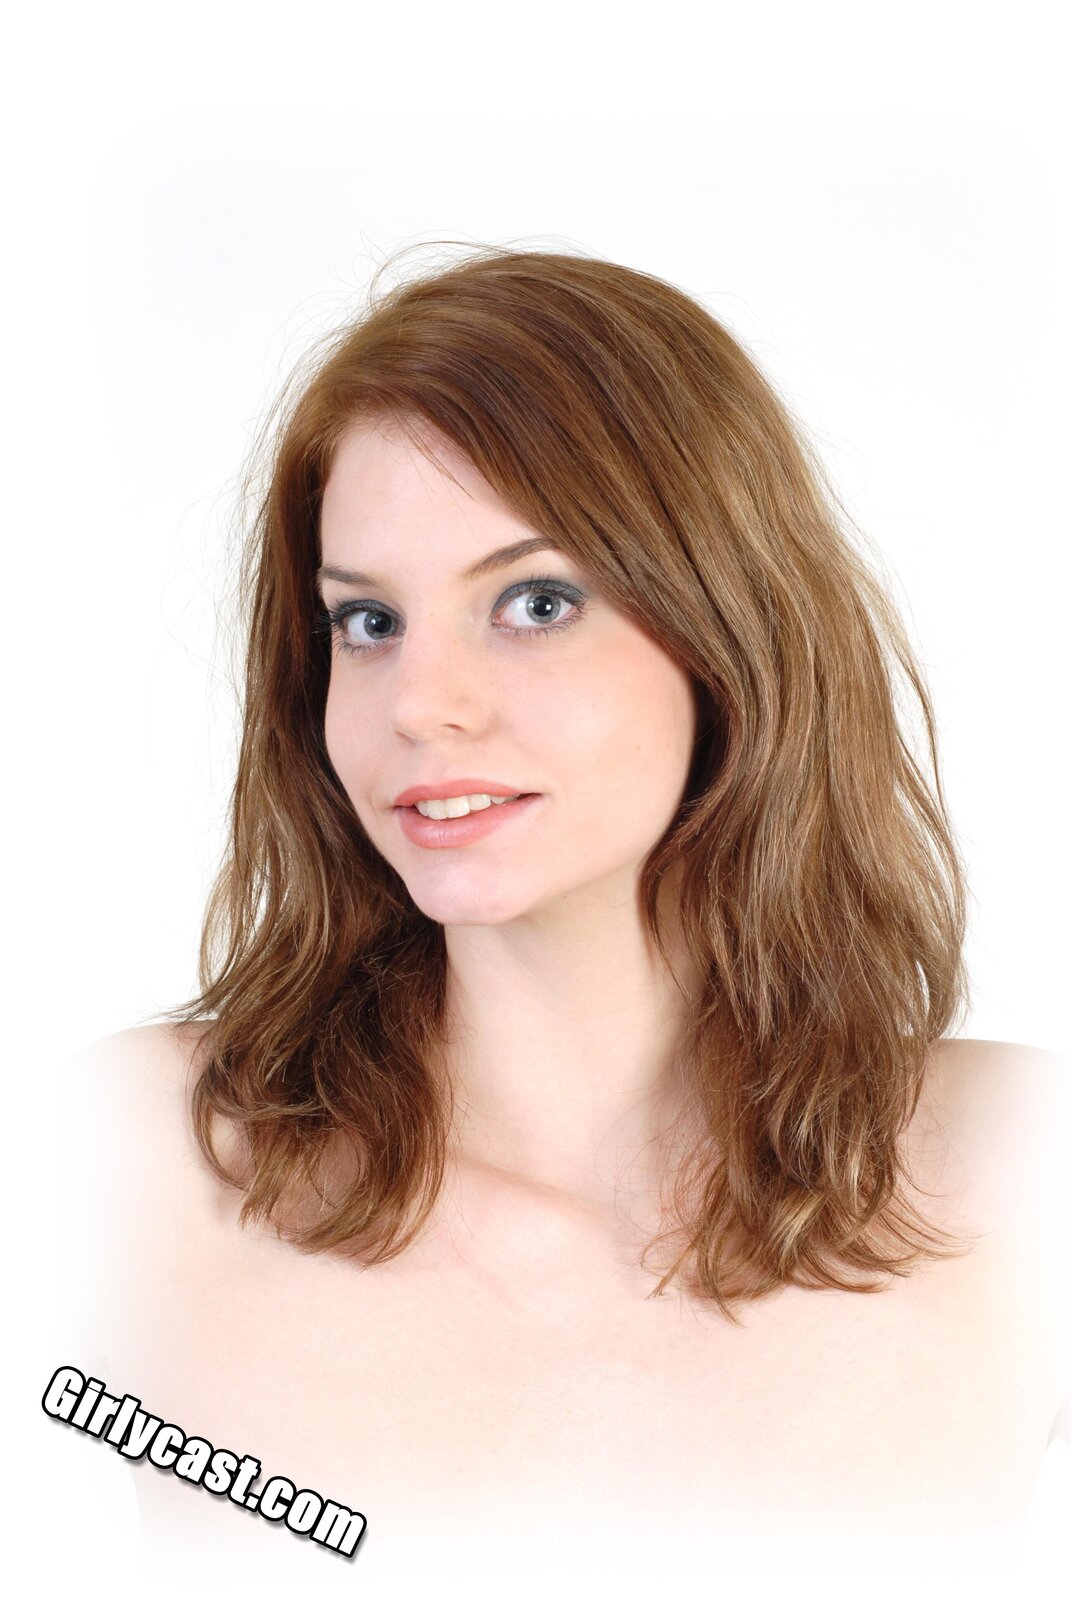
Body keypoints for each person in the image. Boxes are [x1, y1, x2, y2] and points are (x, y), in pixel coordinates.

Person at [63, 243, 1069, 1598]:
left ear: (730, 631)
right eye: (367, 622)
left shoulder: (1026, 1177)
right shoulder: (136, 1163)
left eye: (534, 603)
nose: (422, 704)